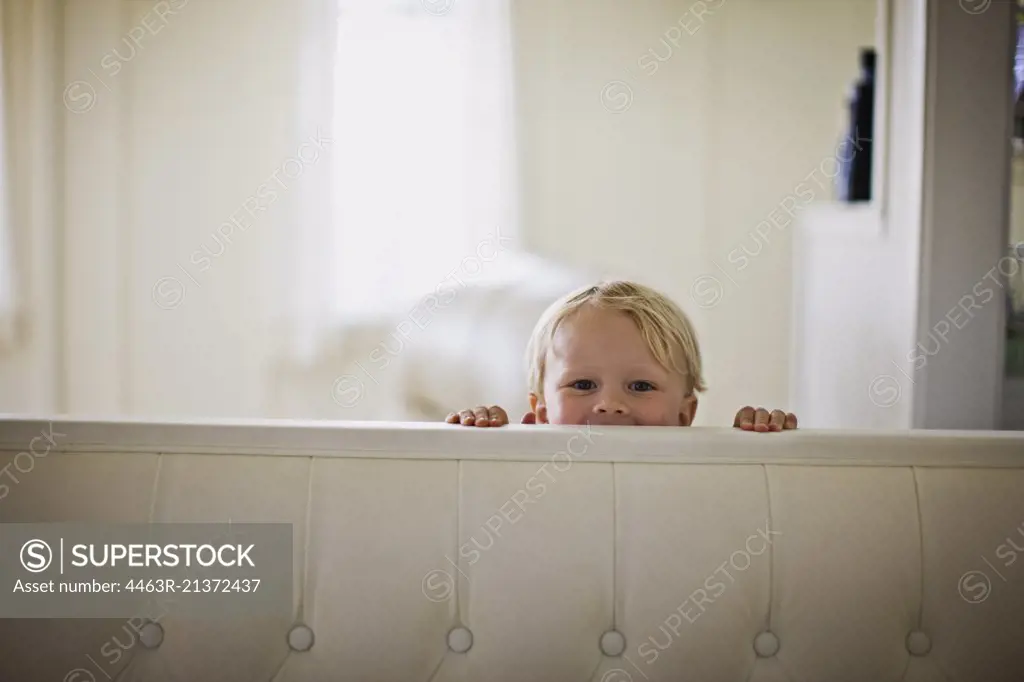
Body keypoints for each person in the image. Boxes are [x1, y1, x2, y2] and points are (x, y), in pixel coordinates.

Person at [445, 280, 797, 431]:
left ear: (684, 414)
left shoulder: (700, 469)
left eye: (641, 386)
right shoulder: (527, 467)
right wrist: (484, 439)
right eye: (583, 384)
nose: (610, 405)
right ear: (540, 412)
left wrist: (753, 451)